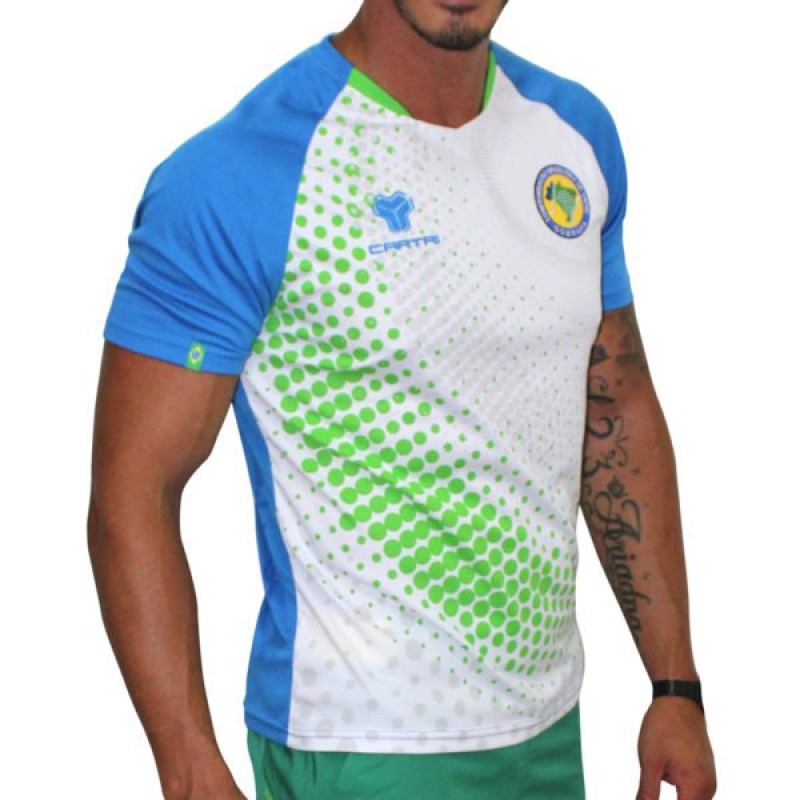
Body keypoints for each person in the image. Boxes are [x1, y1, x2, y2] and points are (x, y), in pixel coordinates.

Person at [88, 1, 716, 798]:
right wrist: (185, 760)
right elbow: (133, 489)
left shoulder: (573, 135)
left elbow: (614, 400)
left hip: (549, 731)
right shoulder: (239, 175)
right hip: (358, 744)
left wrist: (674, 684)